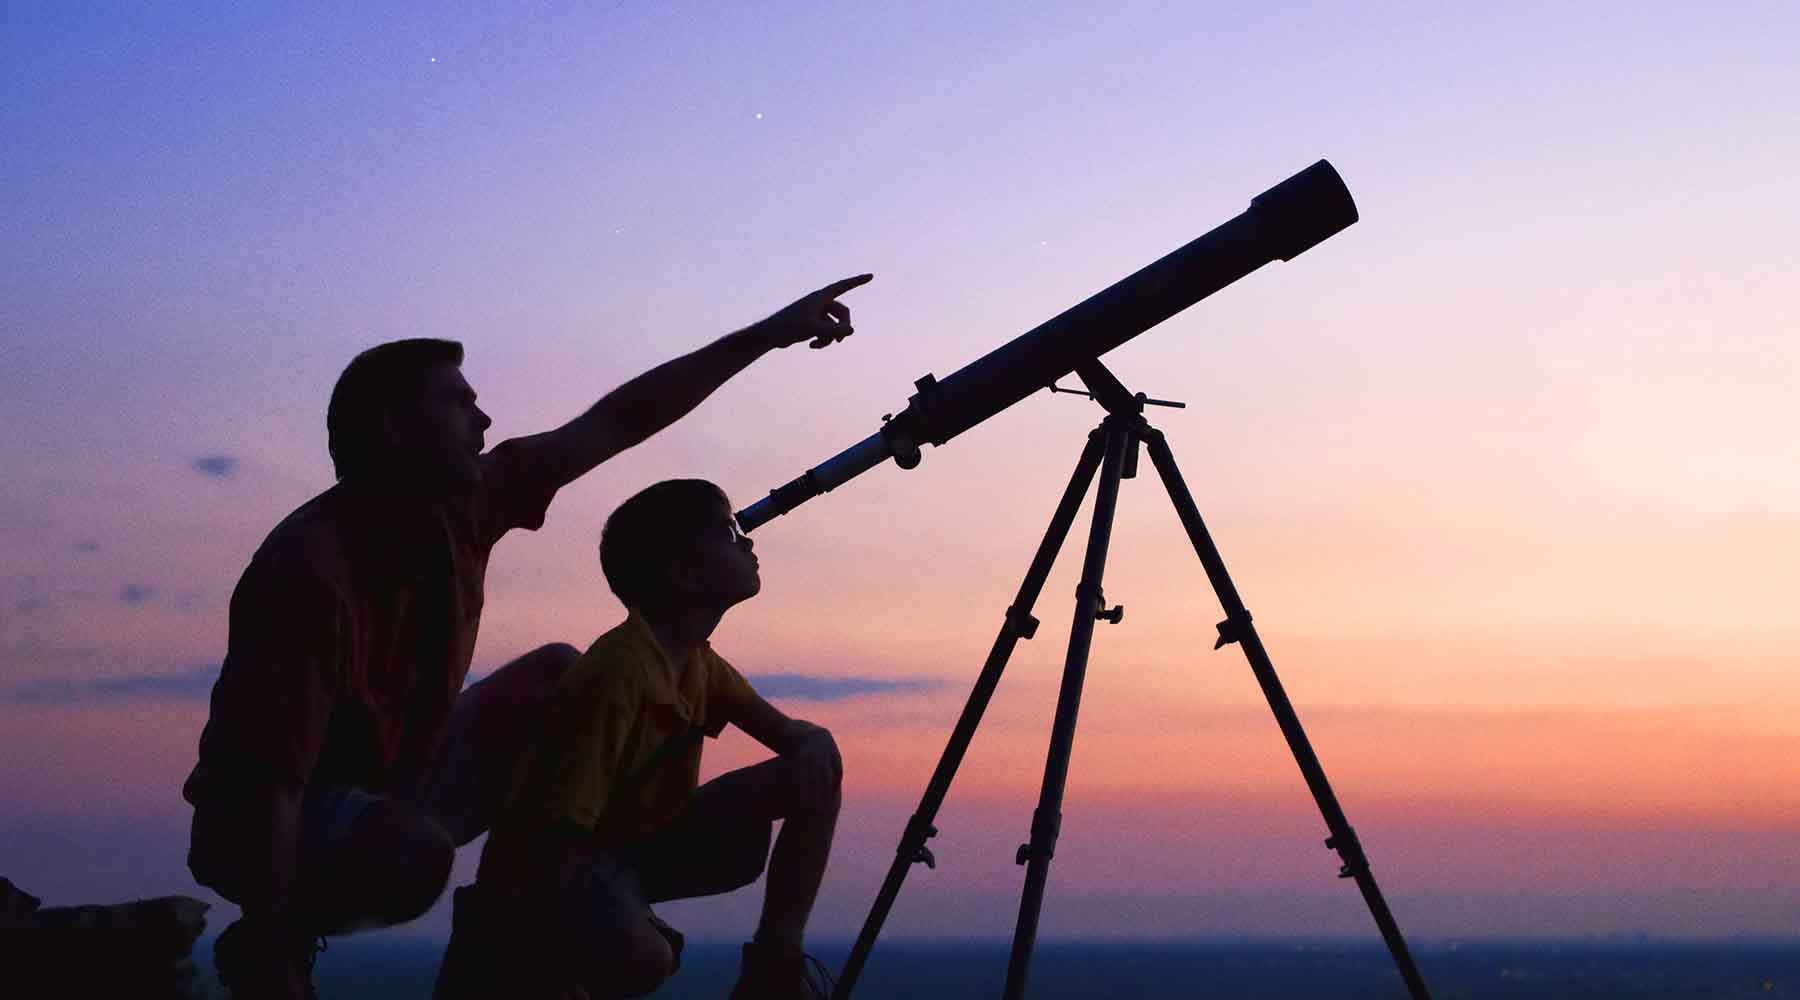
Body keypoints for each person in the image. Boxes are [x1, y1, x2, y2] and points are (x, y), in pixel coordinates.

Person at [181, 275, 872, 1000]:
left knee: (556, 675)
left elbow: (621, 418)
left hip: (394, 775)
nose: (484, 421)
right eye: (458, 404)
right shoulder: (306, 573)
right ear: (393, 428)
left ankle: (524, 909)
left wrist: (764, 335)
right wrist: (273, 936)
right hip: (275, 816)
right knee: (412, 855)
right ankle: (286, 936)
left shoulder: (468, 504)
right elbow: (271, 783)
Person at [436, 479, 842, 1000]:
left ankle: (774, 967)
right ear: (685, 575)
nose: (747, 541)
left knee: (818, 765)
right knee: (642, 957)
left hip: (632, 845)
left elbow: (793, 739)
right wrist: (613, 917)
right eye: (727, 532)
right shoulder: (618, 673)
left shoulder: (698, 663)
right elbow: (556, 838)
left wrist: (813, 740)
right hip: (553, 866)